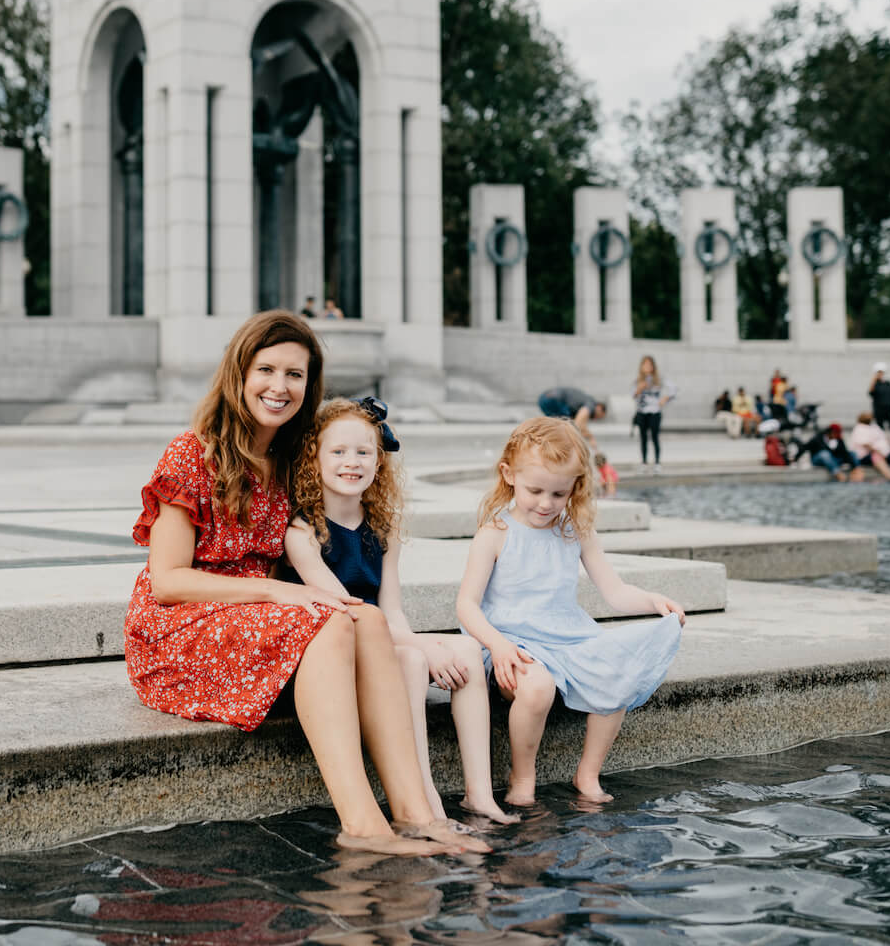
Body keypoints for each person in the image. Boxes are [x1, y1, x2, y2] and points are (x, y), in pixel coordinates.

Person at [123, 310, 485, 856]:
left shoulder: (291, 459)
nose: (279, 386)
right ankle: (363, 826)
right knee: (333, 619)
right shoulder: (193, 452)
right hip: (179, 627)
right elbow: (169, 582)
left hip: (257, 619)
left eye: (295, 374)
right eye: (266, 369)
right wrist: (279, 590)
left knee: (365, 615)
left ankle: (414, 813)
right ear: (238, 374)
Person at [284, 397, 517, 825]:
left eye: (363, 452)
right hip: (337, 651)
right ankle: (422, 799)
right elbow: (351, 612)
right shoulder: (302, 531)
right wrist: (421, 649)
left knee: (465, 650)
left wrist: (421, 643)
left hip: (381, 636)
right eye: (337, 452)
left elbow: (390, 610)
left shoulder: (381, 526)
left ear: (378, 462)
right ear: (313, 459)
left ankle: (479, 795)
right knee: (411, 659)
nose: (351, 462)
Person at [455, 417, 684, 805]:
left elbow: (614, 591)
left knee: (618, 672)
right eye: (535, 490)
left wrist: (652, 601)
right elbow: (466, 605)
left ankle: (588, 772)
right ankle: (523, 775)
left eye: (559, 494)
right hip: (511, 641)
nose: (546, 503)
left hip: (567, 637)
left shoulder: (574, 530)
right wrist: (498, 646)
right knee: (538, 687)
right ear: (508, 475)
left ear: (575, 487)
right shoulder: (496, 532)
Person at [632, 355, 675, 476]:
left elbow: (673, 389)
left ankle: (657, 463)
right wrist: (639, 389)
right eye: (645, 364)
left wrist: (665, 399)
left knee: (655, 437)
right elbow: (633, 396)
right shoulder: (637, 381)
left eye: (649, 365)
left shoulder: (659, 379)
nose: (647, 367)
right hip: (642, 412)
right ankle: (644, 463)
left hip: (655, 412)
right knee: (643, 438)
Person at [848, 411, 890, 481]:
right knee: (876, 456)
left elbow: (884, 439)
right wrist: (878, 451)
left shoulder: (874, 427)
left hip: (884, 453)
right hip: (868, 455)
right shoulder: (859, 428)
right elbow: (865, 444)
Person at [537, 386, 607, 436]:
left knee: (556, 424)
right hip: (554, 399)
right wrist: (576, 435)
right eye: (600, 416)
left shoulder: (583, 401)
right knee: (566, 424)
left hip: (542, 399)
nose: (596, 418)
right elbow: (581, 418)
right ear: (599, 408)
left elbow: (582, 422)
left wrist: (588, 435)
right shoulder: (591, 403)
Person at [869, 363, 890, 448]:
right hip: (879, 409)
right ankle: (882, 443)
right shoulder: (875, 383)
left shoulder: (888, 383)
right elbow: (870, 392)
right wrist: (874, 380)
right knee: (880, 427)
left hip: (889, 408)